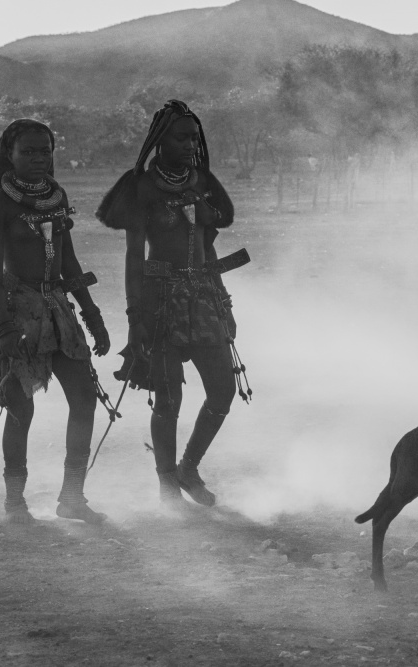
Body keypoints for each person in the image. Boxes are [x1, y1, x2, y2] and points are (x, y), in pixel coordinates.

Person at [97, 100, 248, 509]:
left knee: (222, 390)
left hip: (202, 298)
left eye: (194, 137)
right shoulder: (141, 187)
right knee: (168, 399)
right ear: (160, 141)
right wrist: (133, 317)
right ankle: (167, 486)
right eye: (181, 137)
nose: (189, 144)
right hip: (158, 303)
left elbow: (210, 239)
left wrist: (224, 305)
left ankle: (189, 467)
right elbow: (133, 257)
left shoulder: (201, 181)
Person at [0, 119, 111, 525]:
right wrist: (4, 327)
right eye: (27, 151)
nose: (37, 158)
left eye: (44, 150)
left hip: (58, 307)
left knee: (83, 399)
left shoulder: (57, 197)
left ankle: (72, 498)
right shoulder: (0, 204)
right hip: (17, 308)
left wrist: (92, 313)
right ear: (8, 155)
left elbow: (67, 259)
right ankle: (15, 503)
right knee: (20, 409)